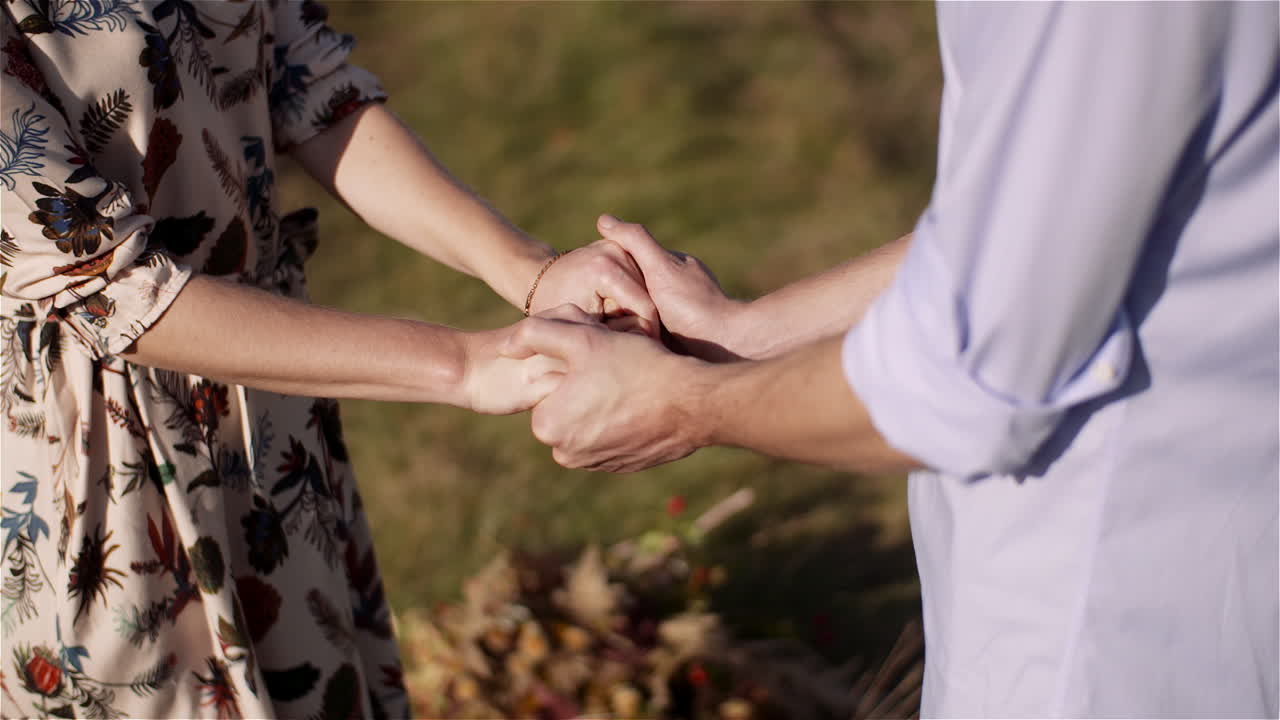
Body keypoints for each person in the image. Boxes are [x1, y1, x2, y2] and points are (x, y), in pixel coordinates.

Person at [509, 2, 1279, 715]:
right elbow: (1033, 220)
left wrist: (684, 403)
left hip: (1108, 628)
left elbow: (964, 382)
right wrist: (745, 334)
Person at [0, 1, 656, 717]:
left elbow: (308, 85)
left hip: (272, 416)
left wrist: (532, 272)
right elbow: (109, 287)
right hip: (100, 472)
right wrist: (465, 365)